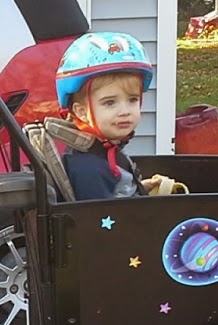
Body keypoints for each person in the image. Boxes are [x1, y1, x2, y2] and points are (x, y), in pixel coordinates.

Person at [50, 31, 178, 201]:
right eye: (110, 103)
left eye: (132, 100)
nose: (124, 111)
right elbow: (103, 219)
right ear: (81, 112)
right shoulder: (89, 168)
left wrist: (141, 188)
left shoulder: (103, 152)